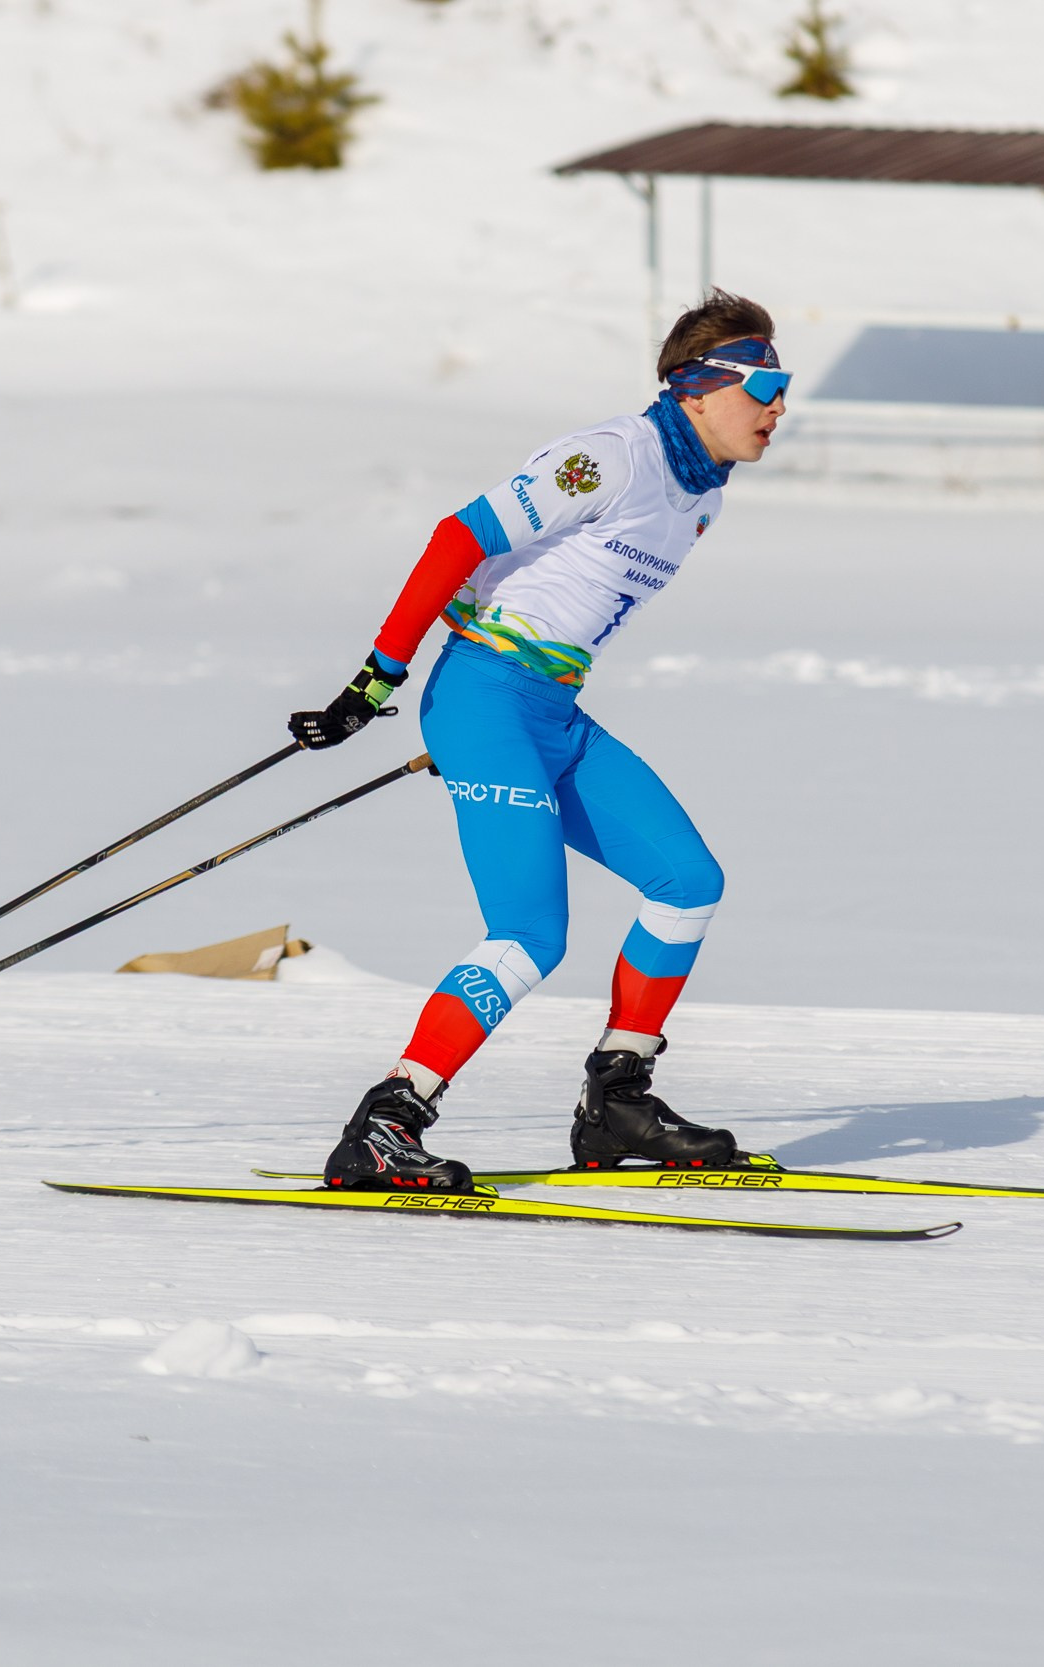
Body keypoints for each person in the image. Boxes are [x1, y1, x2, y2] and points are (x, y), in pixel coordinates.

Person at [287, 291, 790, 1191]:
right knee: (528, 934)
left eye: (785, 387)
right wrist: (376, 682)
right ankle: (386, 1123)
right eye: (763, 385)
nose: (779, 405)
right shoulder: (612, 458)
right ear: (696, 386)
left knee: (688, 883)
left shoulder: (700, 492)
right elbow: (459, 538)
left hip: (550, 710)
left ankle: (617, 1102)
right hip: (485, 697)